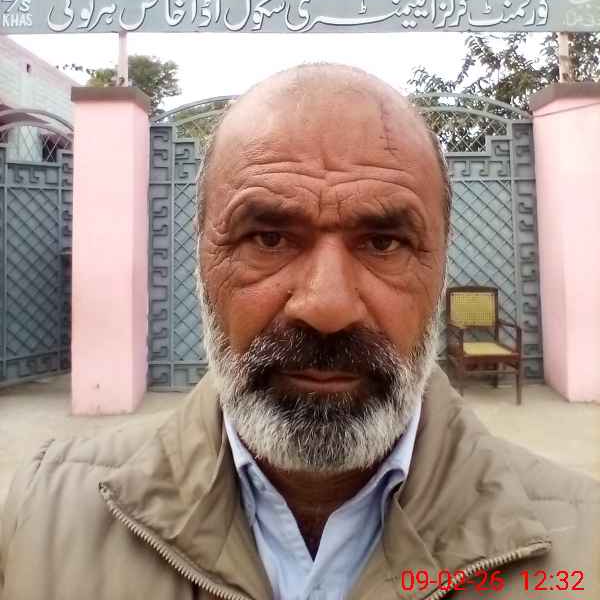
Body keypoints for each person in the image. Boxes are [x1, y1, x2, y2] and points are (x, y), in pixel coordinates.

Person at [1, 63, 598, 600]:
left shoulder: (583, 544)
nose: (326, 307)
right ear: (201, 259)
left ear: (442, 265)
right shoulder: (39, 523)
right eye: (269, 238)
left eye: (383, 243)